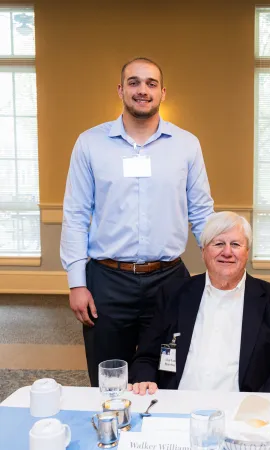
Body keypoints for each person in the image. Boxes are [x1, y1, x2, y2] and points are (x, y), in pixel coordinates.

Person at [60, 57, 214, 386]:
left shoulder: (187, 145)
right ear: (120, 90)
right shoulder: (90, 143)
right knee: (109, 378)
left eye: (150, 83)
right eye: (134, 82)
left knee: (169, 372)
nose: (142, 90)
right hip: (107, 281)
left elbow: (201, 211)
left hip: (169, 280)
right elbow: (75, 214)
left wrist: (220, 266)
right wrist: (76, 282)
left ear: (162, 93)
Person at [127, 212, 270, 394]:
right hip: (178, 405)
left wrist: (258, 408)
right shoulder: (172, 294)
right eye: (219, 243)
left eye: (235, 244)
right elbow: (146, 357)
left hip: (243, 412)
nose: (227, 252)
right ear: (203, 251)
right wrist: (145, 380)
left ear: (247, 252)